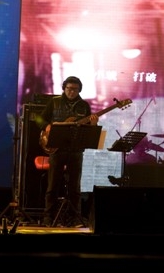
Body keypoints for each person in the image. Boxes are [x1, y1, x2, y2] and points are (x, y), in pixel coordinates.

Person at [39, 76, 96, 227]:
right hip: (56, 149)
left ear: (79, 90)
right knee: (53, 186)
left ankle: (74, 218)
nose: (72, 91)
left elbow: (88, 129)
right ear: (64, 88)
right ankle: (48, 218)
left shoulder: (84, 105)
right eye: (69, 88)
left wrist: (93, 123)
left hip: (76, 150)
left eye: (75, 89)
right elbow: (39, 119)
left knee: (74, 187)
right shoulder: (54, 102)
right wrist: (46, 126)